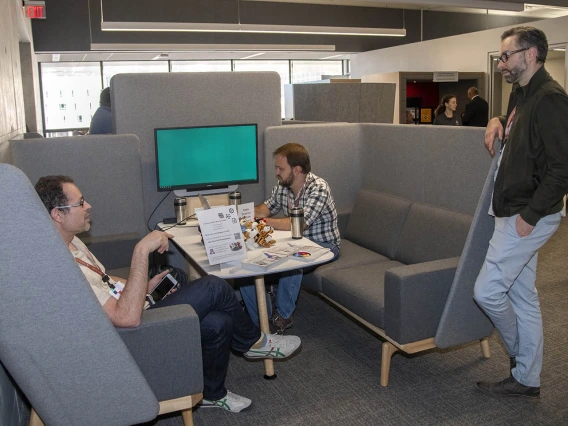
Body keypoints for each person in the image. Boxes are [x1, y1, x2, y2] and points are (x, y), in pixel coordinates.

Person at [35, 175, 302, 413]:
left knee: (219, 321)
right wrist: (141, 250)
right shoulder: (62, 268)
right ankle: (254, 343)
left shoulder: (70, 242)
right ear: (58, 214)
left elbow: (104, 280)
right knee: (214, 286)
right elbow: (126, 318)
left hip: (128, 315)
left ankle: (212, 394)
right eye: (80, 203)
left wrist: (144, 287)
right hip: (127, 339)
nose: (88, 206)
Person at [473, 26, 568, 400]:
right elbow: (519, 131)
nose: (501, 64)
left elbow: (562, 168)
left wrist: (530, 215)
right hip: (511, 208)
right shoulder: (522, 92)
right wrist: (497, 119)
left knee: (487, 291)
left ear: (530, 55)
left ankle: (519, 355)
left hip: (527, 215)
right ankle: (527, 377)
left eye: (506, 56)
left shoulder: (550, 99)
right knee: (522, 295)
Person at [239, 143, 340, 334]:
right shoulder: (283, 186)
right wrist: (240, 213)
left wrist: (262, 221)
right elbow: (266, 207)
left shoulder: (318, 188)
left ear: (297, 169)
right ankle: (260, 318)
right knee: (248, 259)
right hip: (295, 240)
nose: (276, 172)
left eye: (280, 168)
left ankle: (284, 315)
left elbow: (299, 224)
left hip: (324, 245)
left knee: (294, 260)